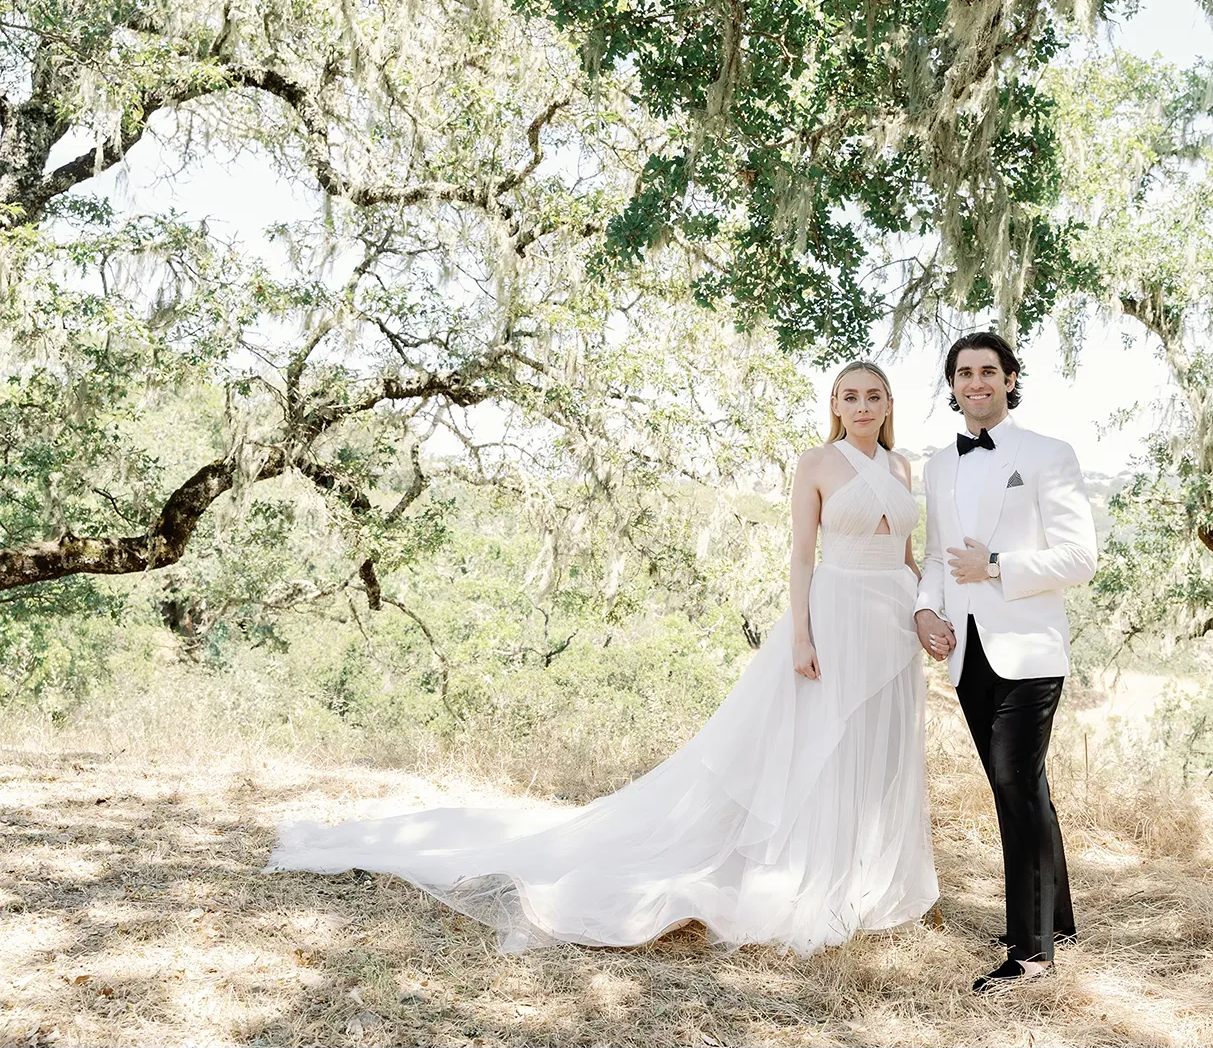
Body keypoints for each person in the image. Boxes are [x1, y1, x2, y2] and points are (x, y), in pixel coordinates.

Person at [266, 362, 939, 956]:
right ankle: (810, 872)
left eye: (872, 395)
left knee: (875, 751)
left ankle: (865, 876)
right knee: (822, 745)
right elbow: (799, 554)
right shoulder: (815, 463)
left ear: (886, 404)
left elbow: (909, 557)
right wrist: (800, 633)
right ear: (835, 405)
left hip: (890, 624)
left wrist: (921, 612)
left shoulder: (903, 467)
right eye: (848, 395)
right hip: (833, 610)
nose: (860, 405)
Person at [913, 331, 1098, 993]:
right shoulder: (938, 464)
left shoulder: (1049, 453)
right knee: (1029, 785)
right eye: (964, 373)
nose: (976, 382)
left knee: (1011, 783)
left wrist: (995, 565)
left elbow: (1081, 558)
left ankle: (1032, 955)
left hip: (1030, 648)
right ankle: (1060, 919)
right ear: (954, 385)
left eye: (988, 371)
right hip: (966, 652)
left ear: (1011, 378)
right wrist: (924, 610)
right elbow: (935, 555)